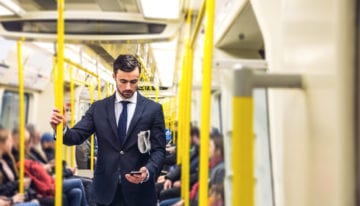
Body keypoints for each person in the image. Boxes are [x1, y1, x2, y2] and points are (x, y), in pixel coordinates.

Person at [50, 54, 166, 206]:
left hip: (140, 192)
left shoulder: (153, 109)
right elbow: (75, 136)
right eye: (123, 81)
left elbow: (159, 150)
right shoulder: (98, 108)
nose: (128, 87)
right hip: (104, 191)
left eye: (133, 82)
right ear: (114, 76)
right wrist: (62, 128)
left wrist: (148, 170)